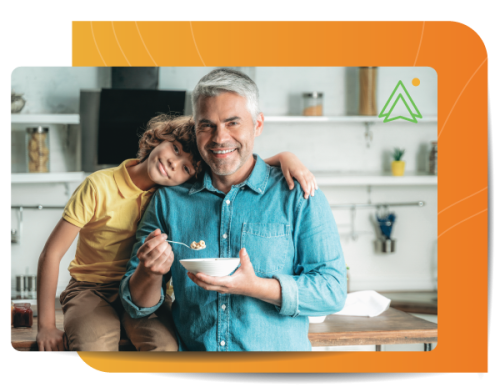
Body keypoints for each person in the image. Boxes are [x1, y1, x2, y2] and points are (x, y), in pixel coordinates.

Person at [36, 113, 317, 352]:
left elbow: (238, 169)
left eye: (185, 167)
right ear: (158, 139)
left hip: (147, 293)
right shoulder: (98, 186)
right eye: (175, 149)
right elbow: (51, 254)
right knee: (95, 346)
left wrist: (284, 157)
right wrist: (47, 325)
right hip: (92, 289)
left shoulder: (171, 196)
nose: (173, 163)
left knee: (167, 349)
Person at [120, 68, 347, 351]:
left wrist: (256, 287)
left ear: (258, 124)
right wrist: (149, 272)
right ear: (195, 129)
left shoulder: (298, 194)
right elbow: (136, 305)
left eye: (232, 122)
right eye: (207, 125)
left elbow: (332, 291)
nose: (220, 138)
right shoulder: (169, 200)